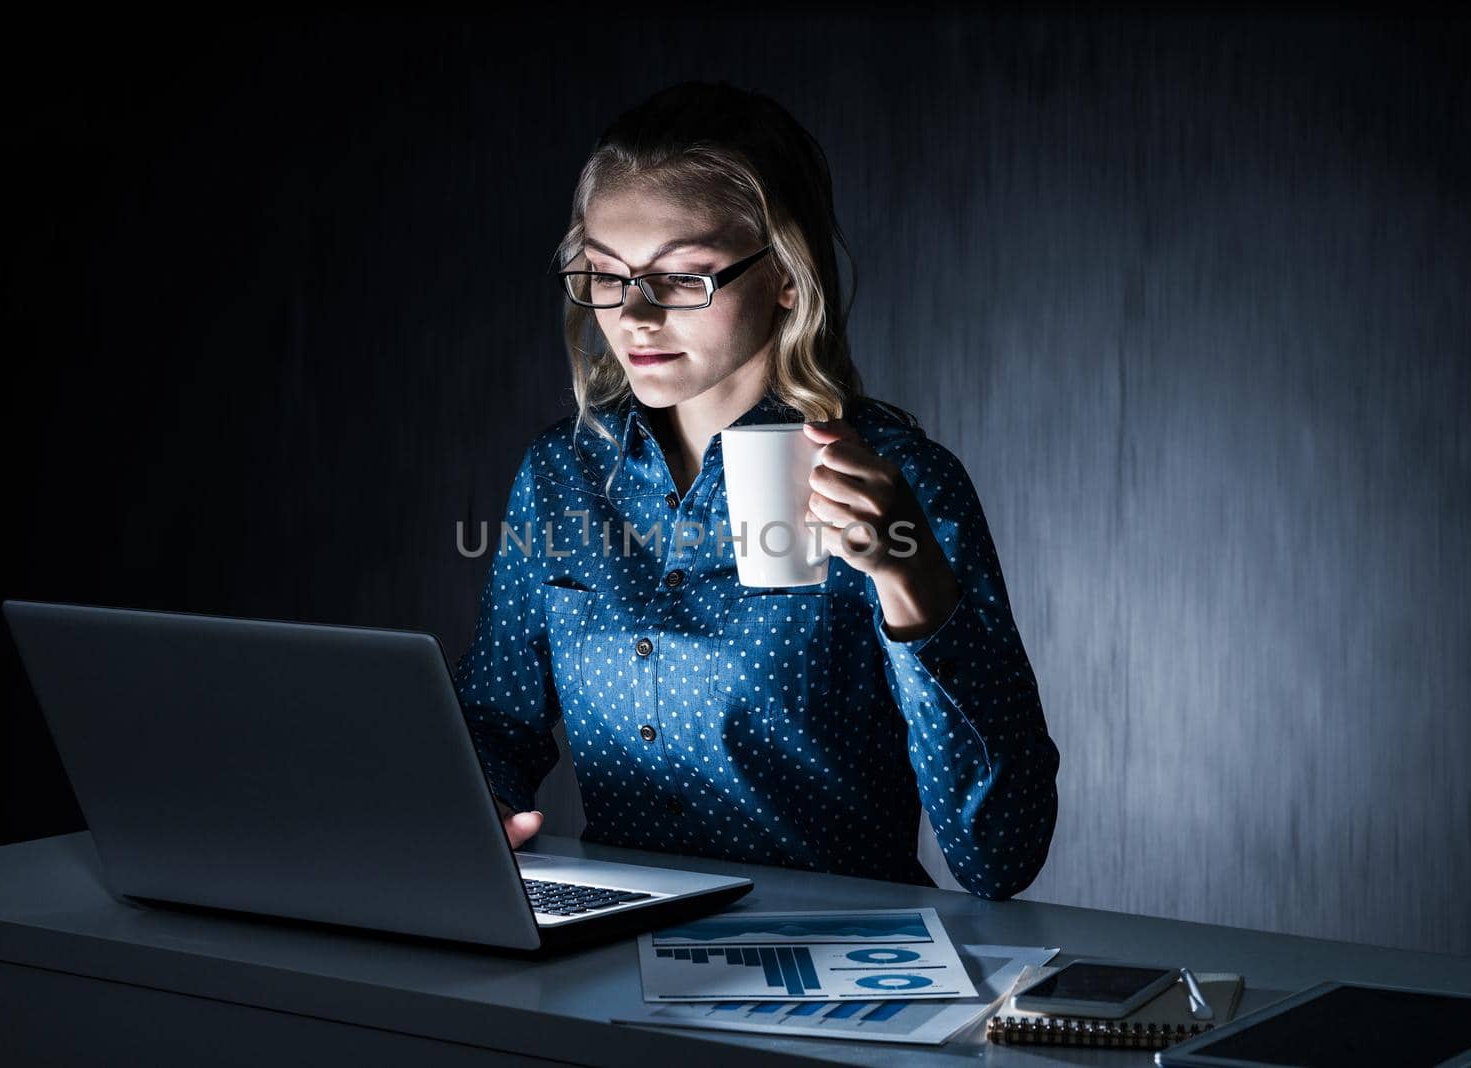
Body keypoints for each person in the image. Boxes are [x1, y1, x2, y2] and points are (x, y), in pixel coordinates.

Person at [453, 81, 1059, 901]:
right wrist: (475, 808)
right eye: (603, 273)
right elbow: (495, 721)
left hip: (835, 963)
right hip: (617, 952)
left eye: (684, 278)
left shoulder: (902, 481)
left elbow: (1001, 856)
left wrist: (911, 585)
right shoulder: (565, 473)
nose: (633, 315)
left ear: (785, 275)